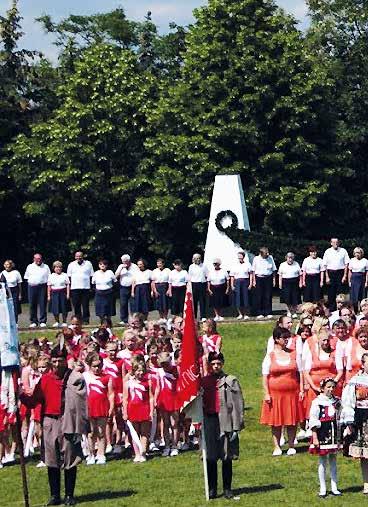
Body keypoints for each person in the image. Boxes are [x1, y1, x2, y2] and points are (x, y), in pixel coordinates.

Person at [21, 346, 88, 506]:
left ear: (66, 360)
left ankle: (69, 495)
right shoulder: (45, 379)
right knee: (52, 460)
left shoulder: (74, 378)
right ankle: (55, 495)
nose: (57, 364)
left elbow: (81, 401)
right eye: (54, 361)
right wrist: (21, 396)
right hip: (50, 422)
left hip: (68, 420)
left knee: (70, 458)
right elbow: (34, 400)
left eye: (60, 360)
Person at [201, 352, 245, 500]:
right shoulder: (204, 381)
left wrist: (236, 426)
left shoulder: (230, 381)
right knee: (211, 457)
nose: (215, 367)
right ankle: (212, 488)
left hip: (225, 420)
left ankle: (227, 488)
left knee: (227, 456)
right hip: (209, 420)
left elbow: (238, 405)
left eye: (218, 364)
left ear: (222, 364)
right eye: (213, 364)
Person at [260, 327, 304, 456]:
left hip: (292, 393)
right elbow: (265, 376)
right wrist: (267, 393)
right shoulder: (270, 355)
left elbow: (300, 372)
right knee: (276, 421)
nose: (287, 340)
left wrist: (301, 389)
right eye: (284, 338)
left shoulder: (294, 353)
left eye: (288, 338)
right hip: (275, 394)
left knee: (292, 420)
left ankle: (291, 445)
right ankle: (277, 446)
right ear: (276, 339)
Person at [309, 378, 342, 498]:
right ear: (322, 388)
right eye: (328, 387)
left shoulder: (337, 401)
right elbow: (313, 419)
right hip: (322, 433)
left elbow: (340, 415)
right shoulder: (317, 402)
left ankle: (334, 487)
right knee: (322, 461)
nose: (331, 389)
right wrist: (315, 436)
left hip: (334, 433)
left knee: (333, 460)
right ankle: (323, 488)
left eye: (333, 387)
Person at [341, 353, 368, 494]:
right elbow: (348, 403)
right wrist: (349, 422)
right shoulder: (355, 381)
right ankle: (366, 484)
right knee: (365, 455)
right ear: (363, 364)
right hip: (362, 419)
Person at [84, 352, 114, 465]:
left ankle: (101, 454)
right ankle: (91, 454)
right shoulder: (85, 376)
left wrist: (111, 407)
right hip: (89, 407)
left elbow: (111, 394)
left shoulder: (106, 377)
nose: (97, 368)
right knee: (91, 433)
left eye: (99, 366)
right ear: (90, 365)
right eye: (94, 366)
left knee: (101, 432)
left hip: (102, 407)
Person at [123, 359, 153, 463]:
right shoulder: (128, 383)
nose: (140, 373)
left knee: (144, 433)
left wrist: (151, 410)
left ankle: (143, 452)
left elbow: (151, 398)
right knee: (134, 433)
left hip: (144, 409)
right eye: (138, 370)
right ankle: (136, 454)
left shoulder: (148, 383)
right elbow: (125, 399)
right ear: (134, 371)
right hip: (132, 409)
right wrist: (125, 412)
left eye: (142, 370)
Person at [67, 251, 94, 325]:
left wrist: (91, 287)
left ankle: (86, 320)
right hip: (75, 288)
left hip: (85, 288)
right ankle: (78, 320)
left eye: (80, 256)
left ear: (83, 256)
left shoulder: (88, 264)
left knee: (85, 305)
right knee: (76, 305)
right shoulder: (71, 264)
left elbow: (92, 276)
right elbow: (69, 277)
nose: (78, 257)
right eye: (77, 256)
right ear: (75, 257)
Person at [24, 253, 51, 328]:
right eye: (36, 258)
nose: (38, 260)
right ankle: (33, 321)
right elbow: (26, 277)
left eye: (39, 258)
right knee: (32, 304)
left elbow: (49, 277)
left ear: (41, 259)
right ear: (34, 259)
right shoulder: (30, 266)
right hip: (32, 287)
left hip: (42, 287)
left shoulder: (46, 267)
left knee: (43, 304)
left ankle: (42, 321)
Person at [323, 238, 349, 311]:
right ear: (331, 243)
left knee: (340, 292)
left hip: (340, 273)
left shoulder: (343, 251)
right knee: (331, 293)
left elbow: (346, 263)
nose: (335, 244)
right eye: (334, 242)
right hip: (330, 273)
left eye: (337, 242)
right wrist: (327, 277)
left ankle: (341, 309)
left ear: (339, 243)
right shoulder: (327, 251)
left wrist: (345, 275)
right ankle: (332, 309)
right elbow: (325, 265)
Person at [252, 246, 277, 319]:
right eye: (266, 253)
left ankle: (268, 312)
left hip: (268, 278)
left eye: (267, 253)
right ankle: (260, 312)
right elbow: (253, 271)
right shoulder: (256, 259)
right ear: (261, 253)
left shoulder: (270, 258)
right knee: (259, 296)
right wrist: (254, 281)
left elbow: (274, 270)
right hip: (259, 278)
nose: (267, 254)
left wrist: (274, 280)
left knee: (268, 296)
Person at [115, 254, 138, 325]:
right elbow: (116, 276)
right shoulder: (120, 266)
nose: (124, 263)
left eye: (126, 261)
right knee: (123, 303)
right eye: (123, 261)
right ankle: (124, 319)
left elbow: (137, 276)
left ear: (129, 261)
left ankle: (134, 319)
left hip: (132, 287)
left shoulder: (134, 266)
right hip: (123, 287)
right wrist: (121, 268)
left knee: (133, 304)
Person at [229, 250, 253, 320]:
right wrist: (232, 285)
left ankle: (246, 314)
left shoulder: (248, 264)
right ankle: (240, 314)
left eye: (241, 256)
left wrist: (250, 284)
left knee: (245, 298)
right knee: (238, 299)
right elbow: (232, 276)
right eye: (238, 256)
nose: (239, 257)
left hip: (245, 282)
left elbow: (250, 274)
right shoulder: (234, 265)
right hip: (237, 282)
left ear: (243, 257)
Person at [47, 261, 70, 328]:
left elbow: (68, 285)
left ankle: (64, 322)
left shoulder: (65, 275)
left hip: (63, 293)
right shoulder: (51, 276)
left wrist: (68, 294)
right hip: (54, 293)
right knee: (55, 308)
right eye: (56, 267)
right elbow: (49, 286)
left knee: (64, 308)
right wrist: (48, 295)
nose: (58, 268)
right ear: (54, 268)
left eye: (60, 267)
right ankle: (57, 322)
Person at [278, 252, 302, 318]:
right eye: (289, 258)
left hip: (295, 282)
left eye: (291, 258)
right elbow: (280, 275)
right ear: (286, 258)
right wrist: (280, 283)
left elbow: (300, 274)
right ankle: (288, 311)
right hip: (285, 282)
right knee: (287, 298)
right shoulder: (282, 264)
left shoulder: (296, 264)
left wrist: (300, 282)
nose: (290, 259)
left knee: (295, 297)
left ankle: (294, 312)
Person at [188, 253, 208, 321]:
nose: (197, 259)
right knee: (194, 301)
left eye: (199, 258)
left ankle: (203, 316)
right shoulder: (191, 266)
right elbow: (189, 277)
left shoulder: (204, 266)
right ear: (193, 259)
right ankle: (194, 316)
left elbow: (207, 275)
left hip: (202, 284)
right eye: (196, 258)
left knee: (202, 301)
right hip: (194, 284)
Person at [1, 259, 22, 324]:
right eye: (5, 264)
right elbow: (1, 284)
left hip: (15, 291)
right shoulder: (2, 273)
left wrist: (20, 294)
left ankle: (15, 322)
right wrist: (4, 293)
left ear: (11, 265)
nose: (7, 266)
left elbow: (19, 284)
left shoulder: (16, 272)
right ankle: (7, 322)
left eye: (8, 264)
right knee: (7, 307)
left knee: (15, 307)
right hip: (6, 291)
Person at [348, 247, 368, 312]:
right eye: (356, 252)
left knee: (362, 296)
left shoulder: (365, 261)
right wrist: (349, 281)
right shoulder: (352, 260)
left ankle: (363, 311)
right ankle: (355, 311)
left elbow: (367, 272)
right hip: (354, 279)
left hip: (362, 279)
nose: (357, 254)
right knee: (354, 297)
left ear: (361, 253)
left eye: (358, 253)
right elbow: (350, 271)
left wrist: (366, 282)